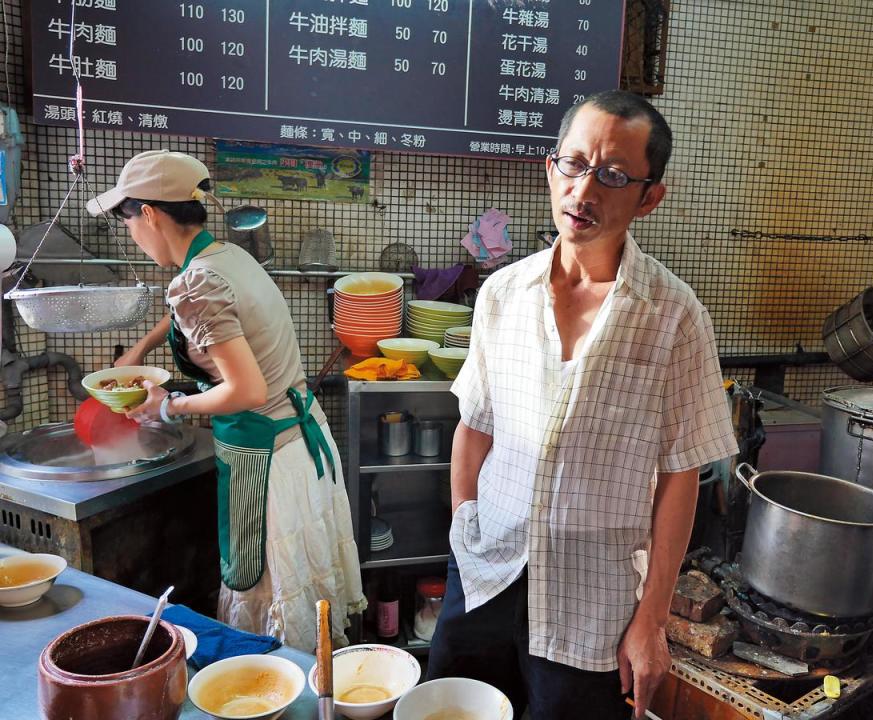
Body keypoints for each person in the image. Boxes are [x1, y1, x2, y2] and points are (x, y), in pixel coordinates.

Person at [426, 90, 738, 719]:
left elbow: (682, 477)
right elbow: (474, 426)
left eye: (614, 175)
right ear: (551, 168)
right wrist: (465, 525)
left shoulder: (675, 317)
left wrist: (651, 622)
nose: (585, 190)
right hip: (487, 571)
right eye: (574, 164)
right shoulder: (502, 294)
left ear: (650, 197)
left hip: (591, 601)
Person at [87, 150, 365, 651]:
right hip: (301, 443)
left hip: (268, 460)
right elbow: (196, 314)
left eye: (128, 221)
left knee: (269, 620)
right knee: (306, 610)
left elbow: (247, 390)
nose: (131, 234)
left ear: (149, 214)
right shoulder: (228, 258)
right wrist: (140, 350)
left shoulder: (195, 282)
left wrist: (166, 406)